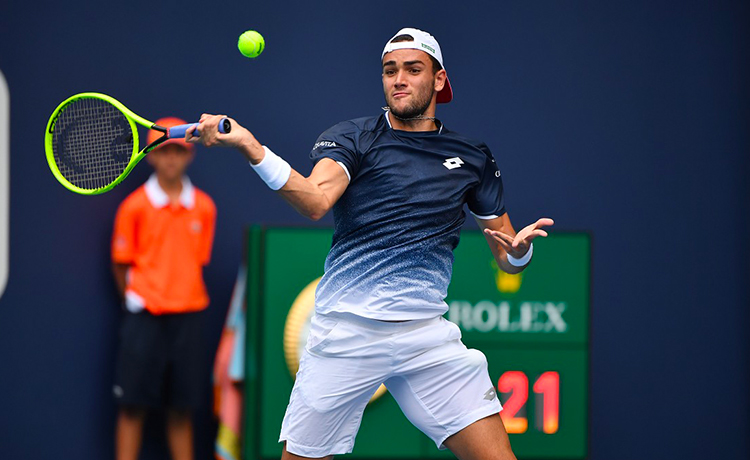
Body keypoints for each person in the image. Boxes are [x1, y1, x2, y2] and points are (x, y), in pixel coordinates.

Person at [189, 28, 552, 460]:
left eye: (413, 69)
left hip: (426, 336)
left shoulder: (471, 156)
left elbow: (508, 257)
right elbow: (315, 201)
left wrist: (518, 252)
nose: (399, 79)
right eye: (390, 70)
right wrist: (252, 147)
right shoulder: (352, 138)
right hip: (348, 332)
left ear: (438, 80)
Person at [111, 117, 217, 460]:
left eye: (179, 151)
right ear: (151, 155)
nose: (171, 158)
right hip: (144, 321)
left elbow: (197, 260)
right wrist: (136, 298)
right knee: (131, 408)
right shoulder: (134, 207)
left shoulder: (204, 207)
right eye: (164, 151)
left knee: (181, 410)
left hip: (187, 319)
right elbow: (121, 261)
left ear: (189, 156)